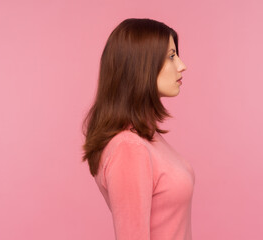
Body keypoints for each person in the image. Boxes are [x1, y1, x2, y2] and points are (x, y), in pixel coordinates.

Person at [81, 18, 195, 240]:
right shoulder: (129, 148)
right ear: (141, 65)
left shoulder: (146, 137)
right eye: (171, 56)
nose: (182, 65)